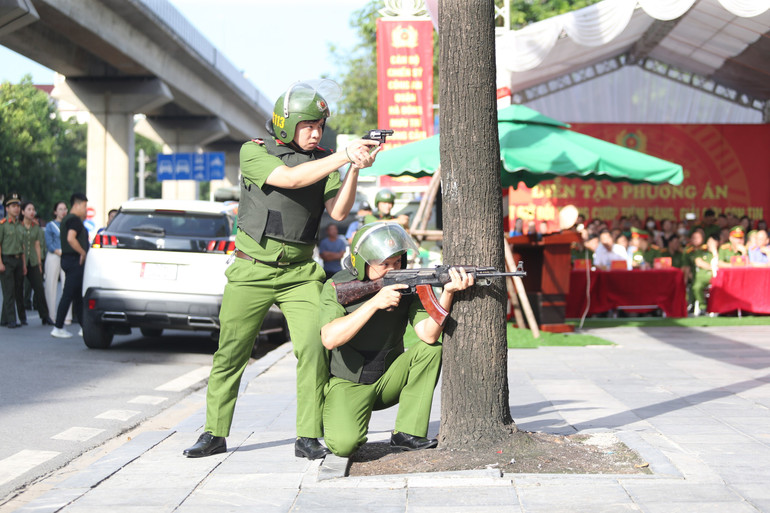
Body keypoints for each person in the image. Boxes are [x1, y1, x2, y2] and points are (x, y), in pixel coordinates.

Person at [183, 80, 381, 460]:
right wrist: (344, 155)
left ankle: (307, 436)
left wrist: (354, 167)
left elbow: (339, 211)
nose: (316, 133)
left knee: (314, 348)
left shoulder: (325, 159)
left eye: (320, 126)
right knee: (231, 352)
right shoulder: (254, 151)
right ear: (285, 124)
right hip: (251, 270)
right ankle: (214, 433)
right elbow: (290, 179)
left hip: (300, 274)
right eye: (308, 126)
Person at [319, 222, 474, 456]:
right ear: (361, 262)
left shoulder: (408, 286)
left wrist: (448, 293)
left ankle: (407, 433)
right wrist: (374, 303)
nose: (393, 270)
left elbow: (429, 334)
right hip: (348, 383)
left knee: (431, 349)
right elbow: (330, 339)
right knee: (344, 446)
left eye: (398, 262)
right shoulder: (337, 287)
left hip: (389, 380)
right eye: (384, 264)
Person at [51, 193, 89, 339]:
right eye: (84, 206)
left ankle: (84, 327)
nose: (85, 209)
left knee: (78, 296)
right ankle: (58, 327)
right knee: (68, 295)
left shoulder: (67, 219)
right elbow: (71, 238)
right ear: (77, 205)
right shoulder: (74, 220)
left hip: (68, 260)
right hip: (74, 261)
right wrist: (82, 252)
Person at [20, 202, 54, 325]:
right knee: (18, 289)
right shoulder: (18, 226)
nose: (32, 212)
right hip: (20, 260)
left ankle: (45, 316)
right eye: (29, 209)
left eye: (33, 209)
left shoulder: (36, 228)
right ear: (23, 212)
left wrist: (39, 264)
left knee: (39, 288)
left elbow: (37, 245)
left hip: (33, 261)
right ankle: (21, 317)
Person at [0, 193, 27, 328]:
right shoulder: (3, 225)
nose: (16, 209)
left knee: (17, 289)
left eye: (17, 206)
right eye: (13, 206)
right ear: (7, 208)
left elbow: (22, 247)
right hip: (7, 259)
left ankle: (4, 319)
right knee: (8, 290)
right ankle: (11, 319)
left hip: (18, 259)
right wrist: (0, 262)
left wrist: (24, 264)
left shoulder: (20, 225)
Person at [44, 201, 73, 326]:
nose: (63, 211)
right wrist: (57, 251)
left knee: (68, 286)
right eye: (60, 209)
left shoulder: (69, 225)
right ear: (55, 212)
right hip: (54, 255)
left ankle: (67, 316)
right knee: (51, 285)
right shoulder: (50, 225)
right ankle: (52, 315)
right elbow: (49, 243)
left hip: (66, 256)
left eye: (65, 209)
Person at [692, 235, 719, 315]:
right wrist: (712, 267)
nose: (711, 244)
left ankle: (715, 307)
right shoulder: (701, 251)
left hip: (715, 277)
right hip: (703, 276)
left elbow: (720, 263)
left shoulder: (719, 251)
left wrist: (715, 252)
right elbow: (699, 262)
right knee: (697, 287)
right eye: (709, 242)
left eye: (713, 242)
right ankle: (702, 307)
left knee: (719, 287)